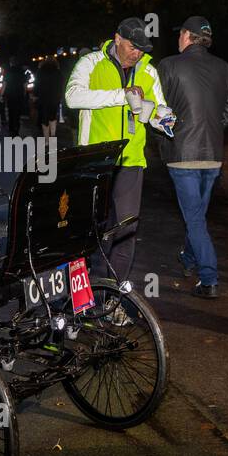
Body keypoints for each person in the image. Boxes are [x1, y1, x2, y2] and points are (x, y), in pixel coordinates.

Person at [66, 17, 174, 284]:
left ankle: (112, 296)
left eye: (142, 49)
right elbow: (72, 96)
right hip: (95, 160)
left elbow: (159, 108)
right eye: (132, 47)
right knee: (94, 229)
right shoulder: (90, 63)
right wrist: (120, 95)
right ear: (117, 39)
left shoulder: (148, 70)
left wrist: (164, 119)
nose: (137, 53)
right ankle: (87, 292)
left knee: (126, 228)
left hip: (131, 159)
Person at [156, 16, 228, 298]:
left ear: (188, 36)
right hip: (213, 154)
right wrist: (212, 128)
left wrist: (168, 134)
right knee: (198, 214)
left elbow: (158, 109)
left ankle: (209, 278)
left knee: (194, 218)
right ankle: (189, 258)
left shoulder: (167, 66)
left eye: (181, 34)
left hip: (182, 153)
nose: (178, 38)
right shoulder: (224, 68)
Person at [35, 57, 64, 139]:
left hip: (43, 98)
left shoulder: (40, 72)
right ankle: (53, 136)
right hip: (55, 98)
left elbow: (36, 84)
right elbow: (62, 85)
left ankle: (46, 140)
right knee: (53, 117)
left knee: (44, 119)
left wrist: (35, 95)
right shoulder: (58, 72)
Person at [3, 56, 29, 136]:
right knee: (17, 113)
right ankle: (16, 129)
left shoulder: (8, 71)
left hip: (10, 94)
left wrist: (1, 94)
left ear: (11, 63)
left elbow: (4, 84)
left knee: (11, 112)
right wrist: (24, 93)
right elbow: (25, 84)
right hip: (19, 94)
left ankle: (11, 129)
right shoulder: (22, 71)